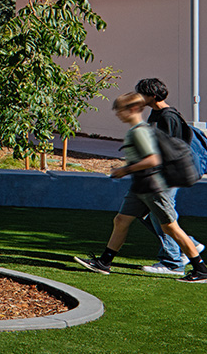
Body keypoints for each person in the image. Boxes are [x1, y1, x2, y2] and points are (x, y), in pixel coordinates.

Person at [74, 92, 207, 281]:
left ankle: (200, 269)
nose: (118, 114)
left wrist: (125, 170)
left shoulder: (140, 131)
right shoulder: (137, 130)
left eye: (120, 110)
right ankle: (104, 263)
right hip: (141, 187)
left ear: (133, 109)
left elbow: (153, 159)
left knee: (170, 228)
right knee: (121, 220)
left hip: (153, 187)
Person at [137, 77, 198, 275]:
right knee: (148, 213)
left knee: (161, 216)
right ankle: (191, 245)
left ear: (152, 95)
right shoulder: (156, 114)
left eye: (142, 93)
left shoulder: (168, 117)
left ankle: (172, 262)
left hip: (167, 175)